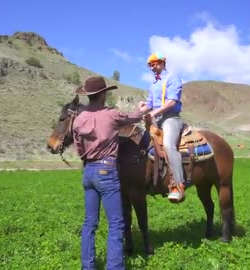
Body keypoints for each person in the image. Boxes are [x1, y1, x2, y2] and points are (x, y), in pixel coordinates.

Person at [72, 76, 145, 270]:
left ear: (88, 95)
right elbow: (134, 118)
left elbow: (79, 150)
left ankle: (88, 266)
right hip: (107, 171)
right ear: (103, 94)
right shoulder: (112, 114)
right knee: (116, 223)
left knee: (89, 223)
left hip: (88, 172)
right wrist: (142, 109)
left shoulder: (79, 119)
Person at [138, 52, 187, 203]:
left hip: (171, 119)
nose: (152, 67)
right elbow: (150, 104)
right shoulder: (153, 85)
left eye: (155, 63)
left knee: (168, 145)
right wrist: (142, 108)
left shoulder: (172, 78)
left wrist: (153, 113)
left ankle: (178, 185)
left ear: (162, 63)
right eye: (150, 65)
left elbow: (172, 102)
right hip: (157, 120)